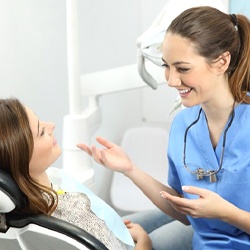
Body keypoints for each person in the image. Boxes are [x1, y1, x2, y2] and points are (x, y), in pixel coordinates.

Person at [77, 6, 250, 249]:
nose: (171, 80)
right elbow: (185, 212)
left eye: (183, 68)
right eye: (166, 66)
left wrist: (226, 213)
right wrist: (129, 169)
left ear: (222, 62)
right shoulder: (183, 124)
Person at [0, 98, 152, 250]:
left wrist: (103, 226)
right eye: (41, 131)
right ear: (22, 158)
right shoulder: (74, 213)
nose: (51, 125)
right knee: (174, 221)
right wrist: (144, 240)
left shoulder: (15, 214)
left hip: (107, 229)